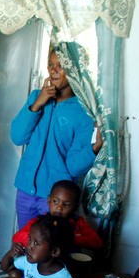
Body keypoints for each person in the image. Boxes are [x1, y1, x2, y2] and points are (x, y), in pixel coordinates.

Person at [11, 47, 103, 230]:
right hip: (25, 190)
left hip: (57, 199)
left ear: (76, 70)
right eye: (50, 65)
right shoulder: (36, 96)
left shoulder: (83, 111)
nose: (53, 70)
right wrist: (38, 103)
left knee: (51, 250)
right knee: (23, 245)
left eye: (60, 66)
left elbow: (73, 167)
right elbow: (17, 137)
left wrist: (96, 146)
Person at [12, 180, 103, 251]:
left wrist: (70, 237)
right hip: (42, 266)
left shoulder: (77, 222)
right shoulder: (39, 221)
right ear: (49, 200)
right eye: (55, 201)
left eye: (66, 205)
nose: (59, 208)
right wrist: (44, 236)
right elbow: (17, 237)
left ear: (75, 207)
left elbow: (97, 243)